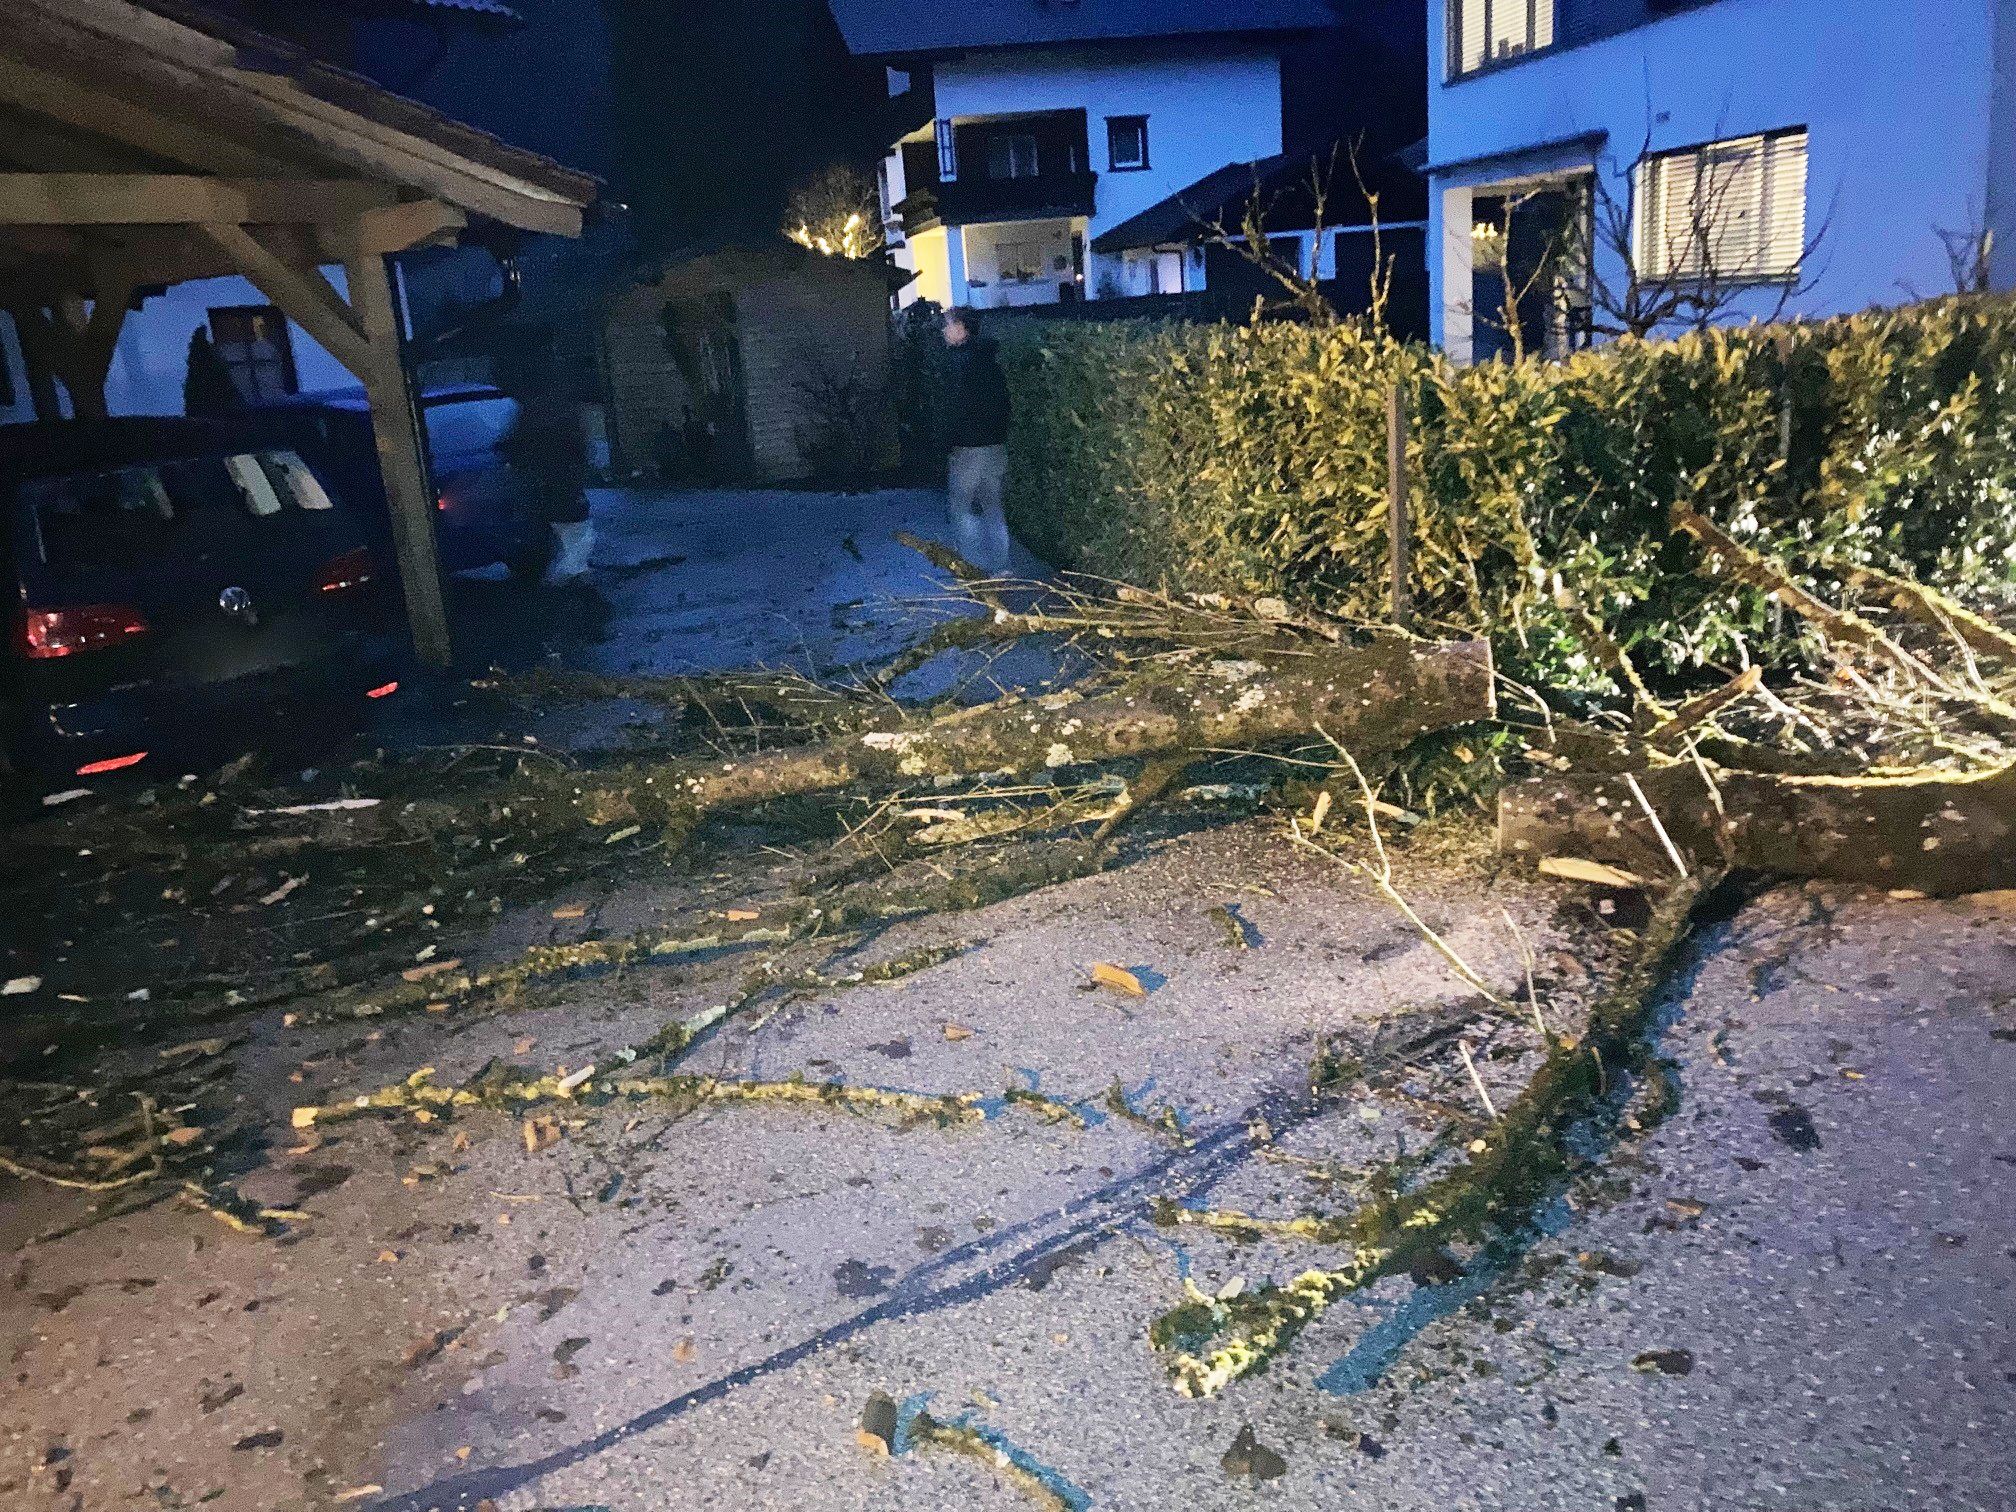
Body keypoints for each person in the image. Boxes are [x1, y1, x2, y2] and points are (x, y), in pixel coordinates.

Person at [496, 337, 595, 585]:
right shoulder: (559, 408)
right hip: (557, 476)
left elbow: (516, 442)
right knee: (566, 522)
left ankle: (563, 571)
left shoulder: (533, 409)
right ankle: (573, 571)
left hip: (545, 476)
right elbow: (578, 442)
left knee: (550, 522)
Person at [941, 307, 1012, 573]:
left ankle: (973, 568)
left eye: (948, 324)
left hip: (968, 447)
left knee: (961, 508)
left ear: (961, 328)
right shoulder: (989, 361)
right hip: (994, 445)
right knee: (992, 505)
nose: (943, 330)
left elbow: (954, 407)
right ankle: (999, 567)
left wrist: (948, 442)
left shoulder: (960, 363)